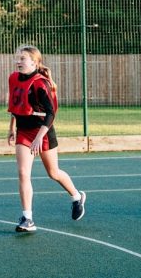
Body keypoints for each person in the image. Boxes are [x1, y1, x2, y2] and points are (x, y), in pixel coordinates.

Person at [7, 45, 85, 232]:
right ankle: (27, 218)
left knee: (53, 172)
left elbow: (51, 114)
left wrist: (38, 139)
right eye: (18, 58)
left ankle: (76, 197)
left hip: (43, 131)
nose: (18, 61)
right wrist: (11, 128)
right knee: (23, 173)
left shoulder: (40, 84)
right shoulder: (14, 78)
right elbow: (15, 105)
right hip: (24, 131)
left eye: (23, 58)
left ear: (35, 62)